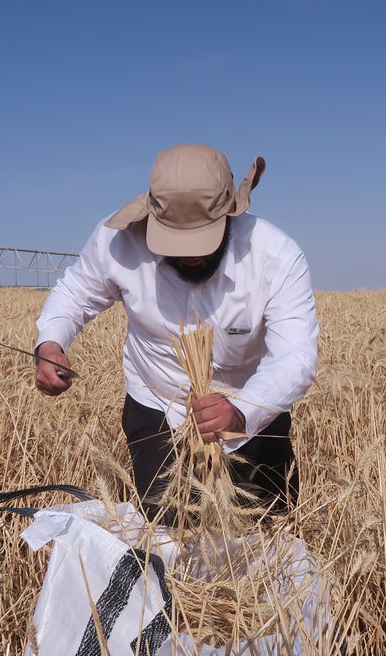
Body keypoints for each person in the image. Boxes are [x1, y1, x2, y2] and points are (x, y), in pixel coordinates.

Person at [32, 143, 318, 520]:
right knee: (167, 536)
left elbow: (294, 357)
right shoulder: (117, 242)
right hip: (156, 404)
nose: (190, 254)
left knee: (265, 537)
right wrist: (51, 342)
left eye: (202, 238)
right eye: (176, 241)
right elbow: (74, 294)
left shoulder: (276, 257)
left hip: (251, 409)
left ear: (230, 214)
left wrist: (241, 411)